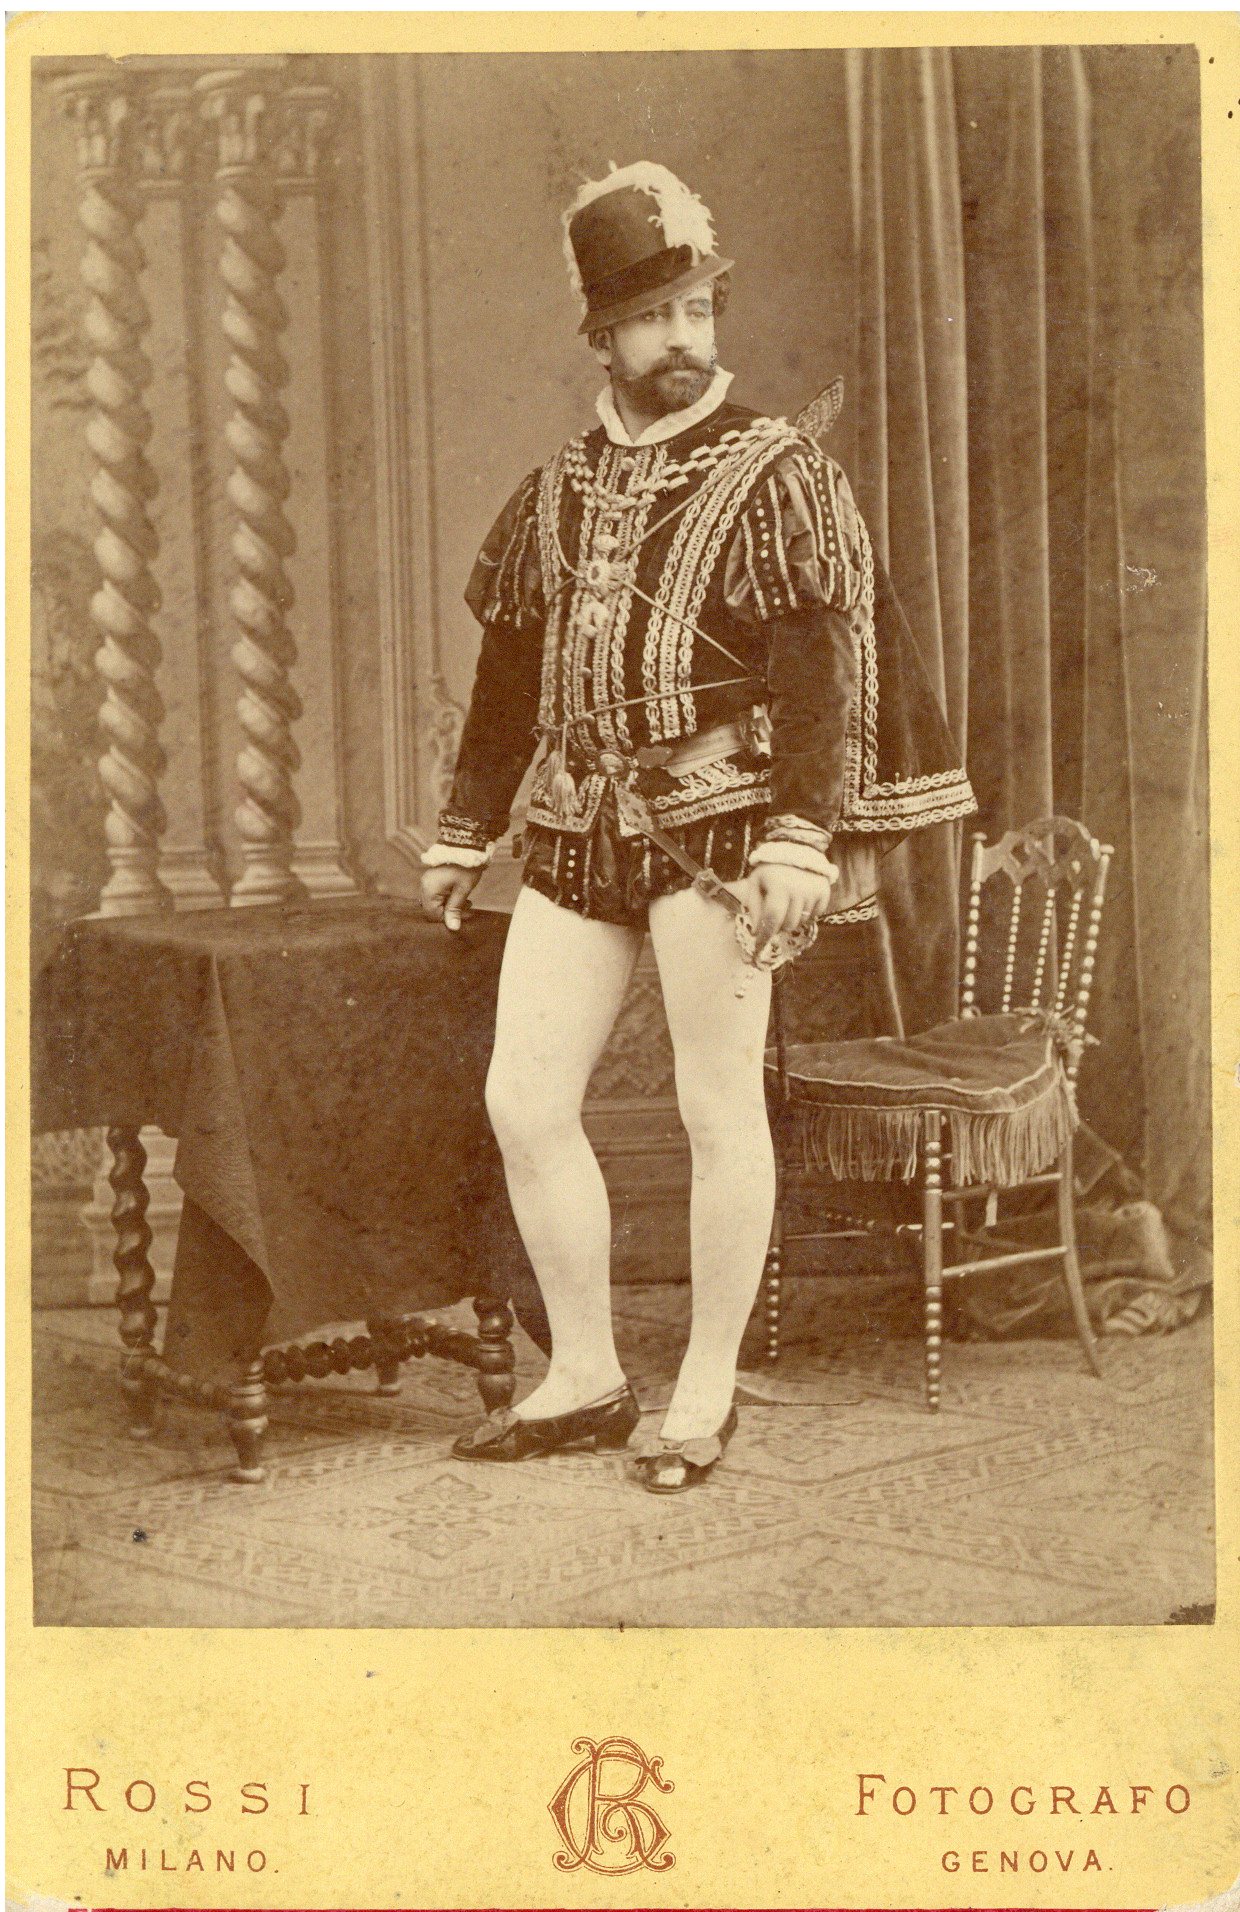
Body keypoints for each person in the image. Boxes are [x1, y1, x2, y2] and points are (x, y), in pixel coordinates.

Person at [421, 162, 975, 1491]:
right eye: (654, 317)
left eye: (698, 311)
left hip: (722, 830)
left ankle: (706, 1390)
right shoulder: (555, 490)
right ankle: (587, 1373)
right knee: (522, 1099)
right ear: (602, 336)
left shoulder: (779, 471)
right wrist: (462, 829)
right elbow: (507, 682)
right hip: (577, 827)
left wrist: (800, 839)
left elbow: (825, 673)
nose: (684, 338)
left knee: (717, 1107)